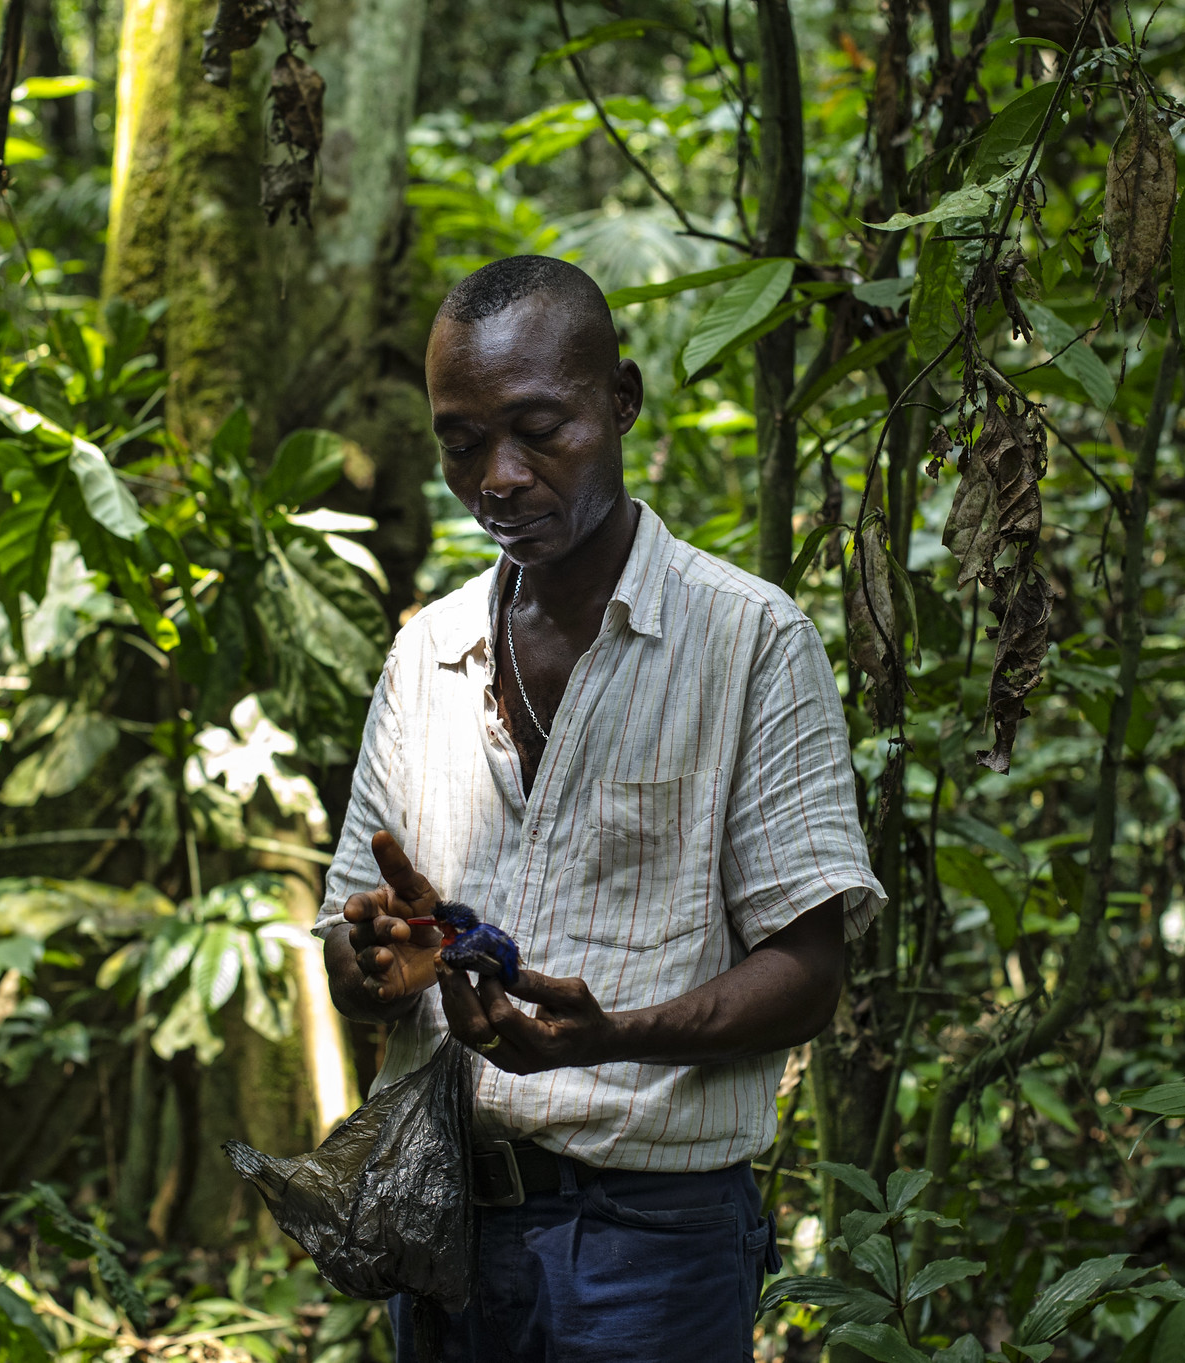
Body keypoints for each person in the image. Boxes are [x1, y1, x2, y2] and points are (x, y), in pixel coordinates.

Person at [315, 255, 883, 1363]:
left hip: (649, 1243)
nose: (499, 476)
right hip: (440, 1228)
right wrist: (371, 964)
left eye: (538, 429)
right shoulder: (425, 653)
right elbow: (350, 943)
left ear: (619, 400)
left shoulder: (748, 642)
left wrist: (610, 1036)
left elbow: (807, 972)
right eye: (462, 442)